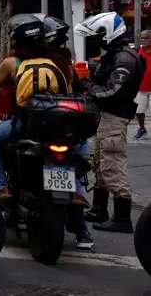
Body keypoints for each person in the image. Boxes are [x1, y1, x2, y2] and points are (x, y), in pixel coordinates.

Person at [0, 15, 75, 201]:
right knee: (78, 148)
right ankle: (79, 192)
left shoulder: (13, 63)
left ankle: (0, 186)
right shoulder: (60, 61)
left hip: (26, 126)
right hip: (60, 126)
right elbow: (69, 93)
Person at [76, 12, 145, 234]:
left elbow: (113, 91)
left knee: (113, 165)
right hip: (105, 118)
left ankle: (122, 218)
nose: (96, 39)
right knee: (100, 163)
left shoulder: (124, 58)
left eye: (99, 35)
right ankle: (99, 209)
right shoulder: (115, 55)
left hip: (114, 118)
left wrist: (88, 87)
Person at [41, 15, 95, 250]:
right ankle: (82, 230)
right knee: (78, 166)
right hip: (71, 129)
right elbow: (80, 96)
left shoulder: (32, 63)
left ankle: (1, 190)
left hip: (43, 129)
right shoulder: (67, 66)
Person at [134, 30, 151, 140]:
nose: (143, 40)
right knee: (139, 110)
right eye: (142, 38)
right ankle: (142, 128)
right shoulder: (139, 51)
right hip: (141, 87)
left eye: (146, 38)